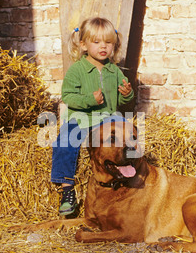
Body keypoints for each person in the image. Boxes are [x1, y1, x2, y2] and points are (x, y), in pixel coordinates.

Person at [51, 17, 134, 215]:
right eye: (96, 42)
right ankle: (67, 190)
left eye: (108, 42)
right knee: (64, 141)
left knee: (127, 134)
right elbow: (68, 97)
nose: (103, 47)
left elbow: (123, 104)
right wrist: (89, 99)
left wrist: (127, 94)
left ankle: (129, 180)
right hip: (80, 118)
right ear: (83, 44)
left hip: (108, 118)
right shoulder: (77, 70)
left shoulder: (115, 72)